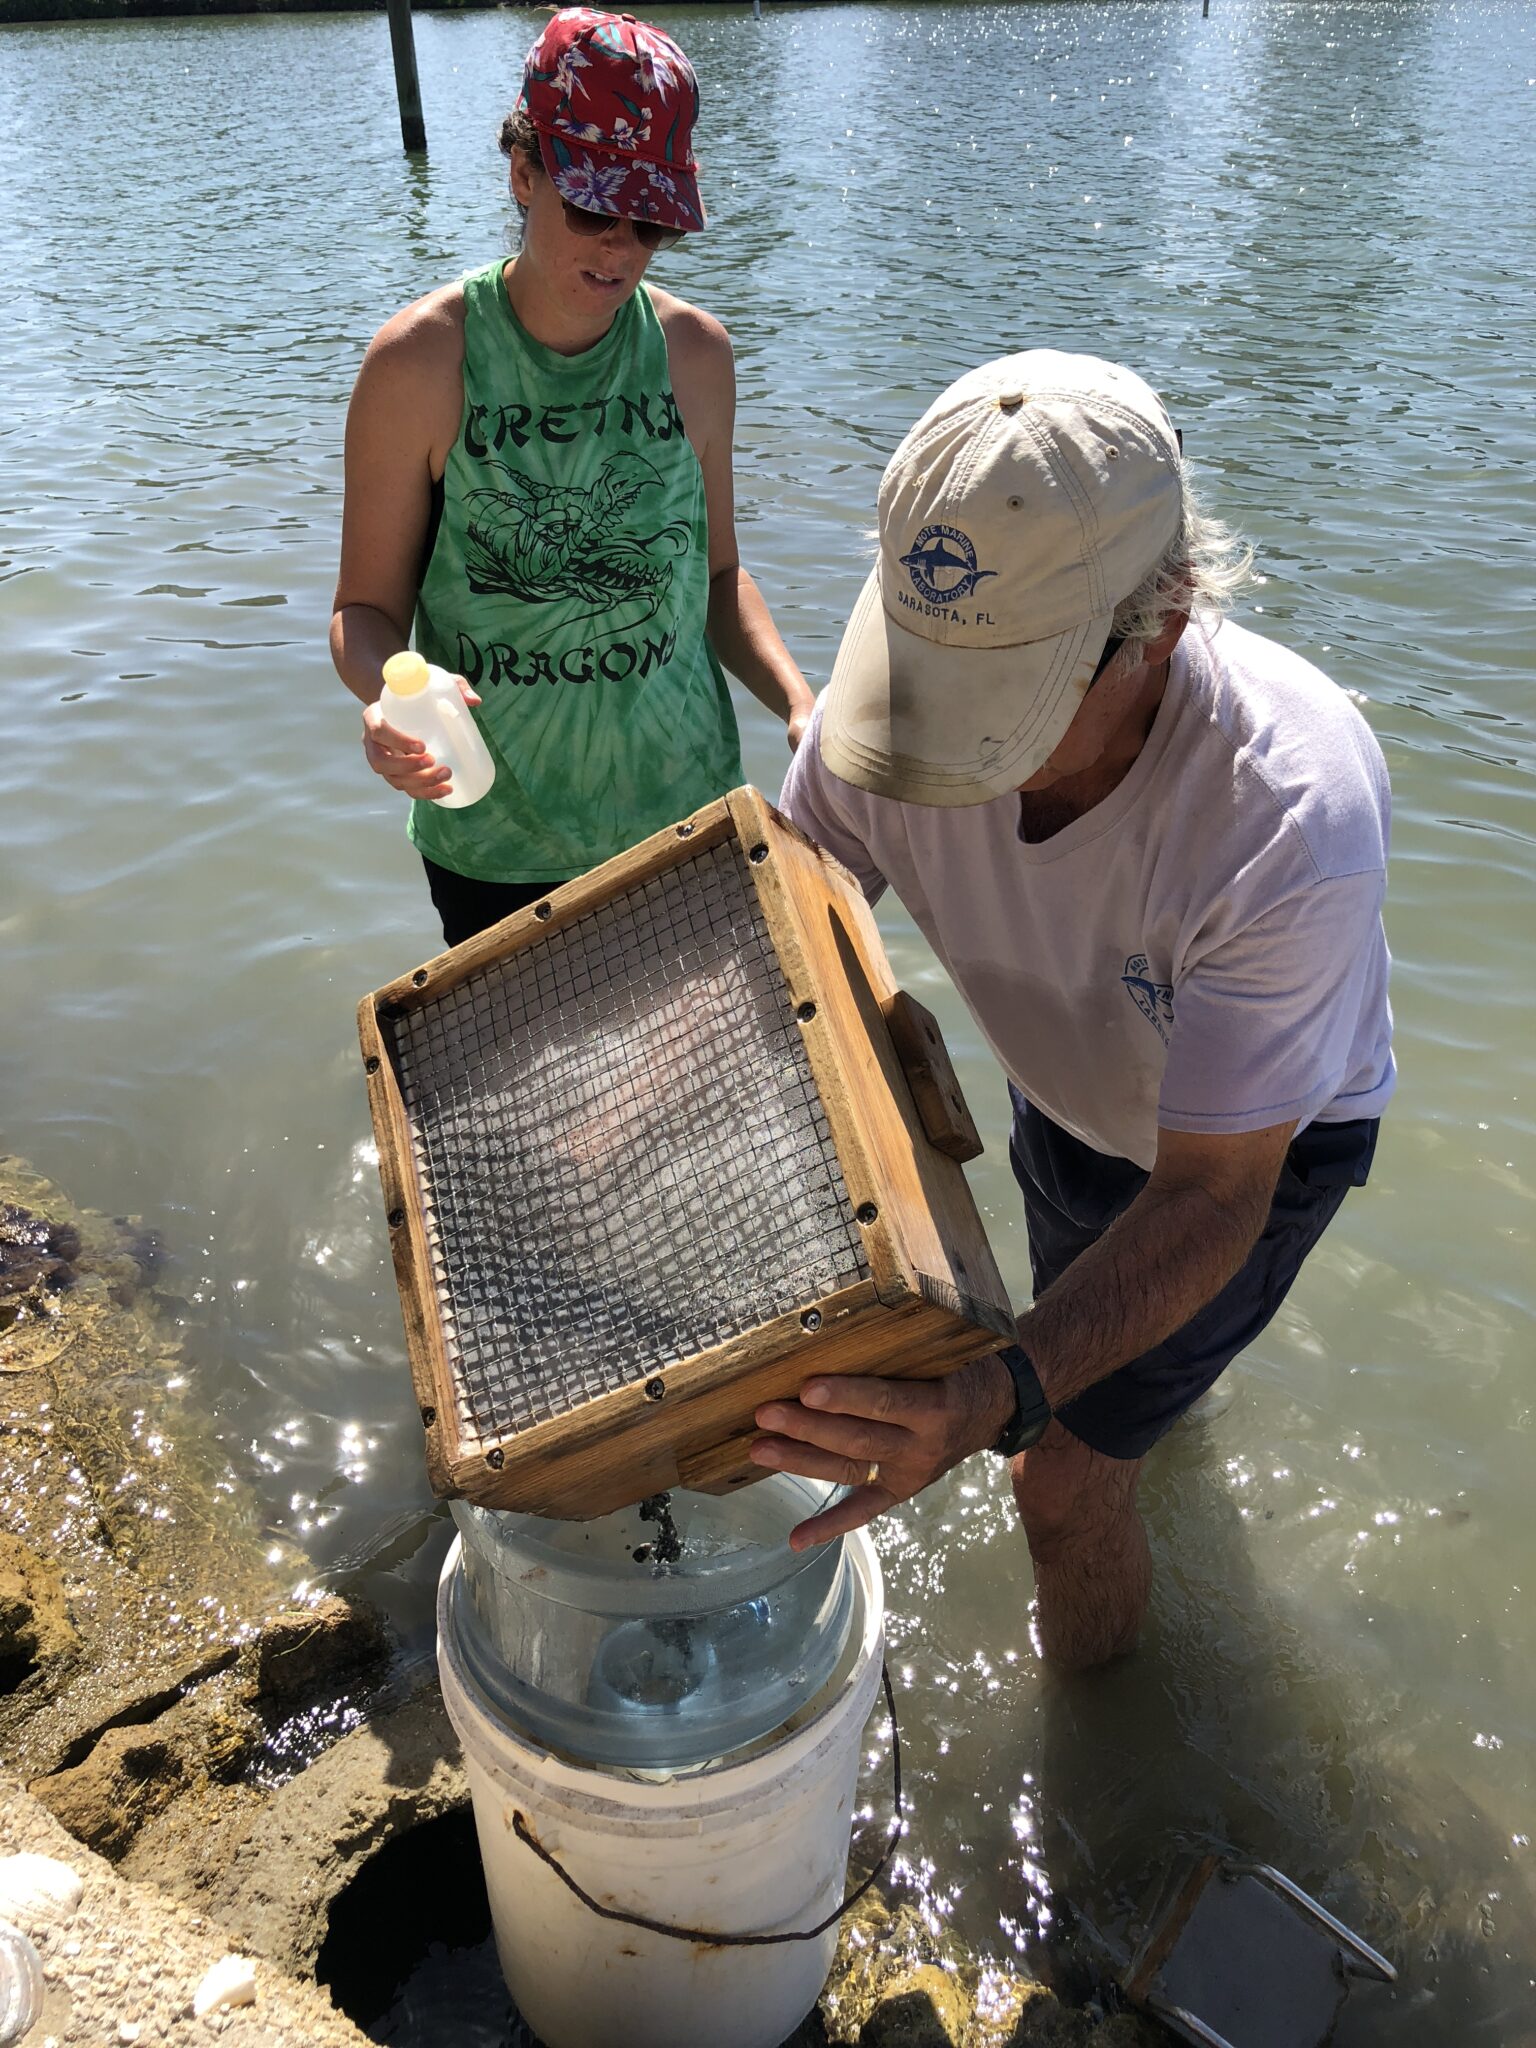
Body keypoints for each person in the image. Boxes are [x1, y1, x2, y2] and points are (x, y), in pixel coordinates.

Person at [755, 350, 1395, 1670]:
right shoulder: (886, 718)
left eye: (1000, 700)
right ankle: (1151, 1409)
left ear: (1161, 619)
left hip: (1254, 1153)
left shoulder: (1285, 814)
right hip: (1064, 1084)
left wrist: (1001, 1392)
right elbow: (785, 939)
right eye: (927, 675)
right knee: (1085, 1346)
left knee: (1053, 1475)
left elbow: (1213, 1194)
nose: (938, 747)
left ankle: (1101, 1748)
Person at [331, 8, 813, 948]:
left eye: (652, 222)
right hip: (496, 841)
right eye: (592, 208)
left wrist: (802, 705)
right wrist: (391, 697)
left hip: (687, 815)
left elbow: (717, 578)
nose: (620, 248)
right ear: (524, 172)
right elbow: (363, 613)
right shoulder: (420, 363)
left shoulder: (696, 356)